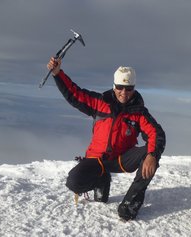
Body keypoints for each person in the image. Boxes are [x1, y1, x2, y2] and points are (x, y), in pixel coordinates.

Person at [47, 57, 166, 221]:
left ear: (134, 88)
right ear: (114, 86)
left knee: (152, 151)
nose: (124, 92)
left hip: (123, 159)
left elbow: (156, 134)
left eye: (129, 88)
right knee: (74, 182)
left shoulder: (138, 112)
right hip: (97, 159)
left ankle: (130, 203)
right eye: (120, 87)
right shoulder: (100, 102)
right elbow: (75, 94)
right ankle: (101, 179)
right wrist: (57, 73)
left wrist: (152, 155)